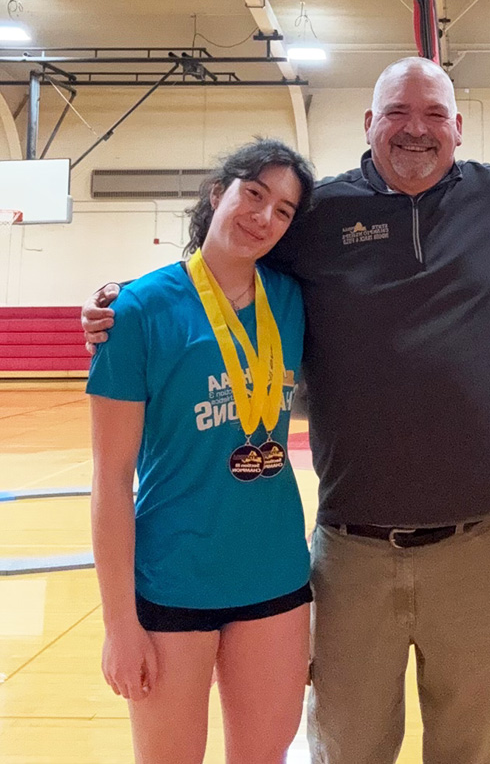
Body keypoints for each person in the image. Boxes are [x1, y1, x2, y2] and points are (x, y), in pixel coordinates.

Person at [82, 58, 490, 764]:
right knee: (351, 747)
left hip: (477, 548)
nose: (416, 129)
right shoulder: (317, 215)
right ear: (368, 124)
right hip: (351, 551)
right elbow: (227, 258)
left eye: (434, 114)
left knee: (472, 747)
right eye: (397, 113)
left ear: (458, 128)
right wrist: (121, 299)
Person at [87, 139, 316, 764]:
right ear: (218, 193)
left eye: (284, 211)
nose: (264, 217)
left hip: (275, 577)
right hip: (171, 581)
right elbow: (110, 479)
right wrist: (119, 625)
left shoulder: (294, 301)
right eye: (254, 194)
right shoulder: (135, 311)